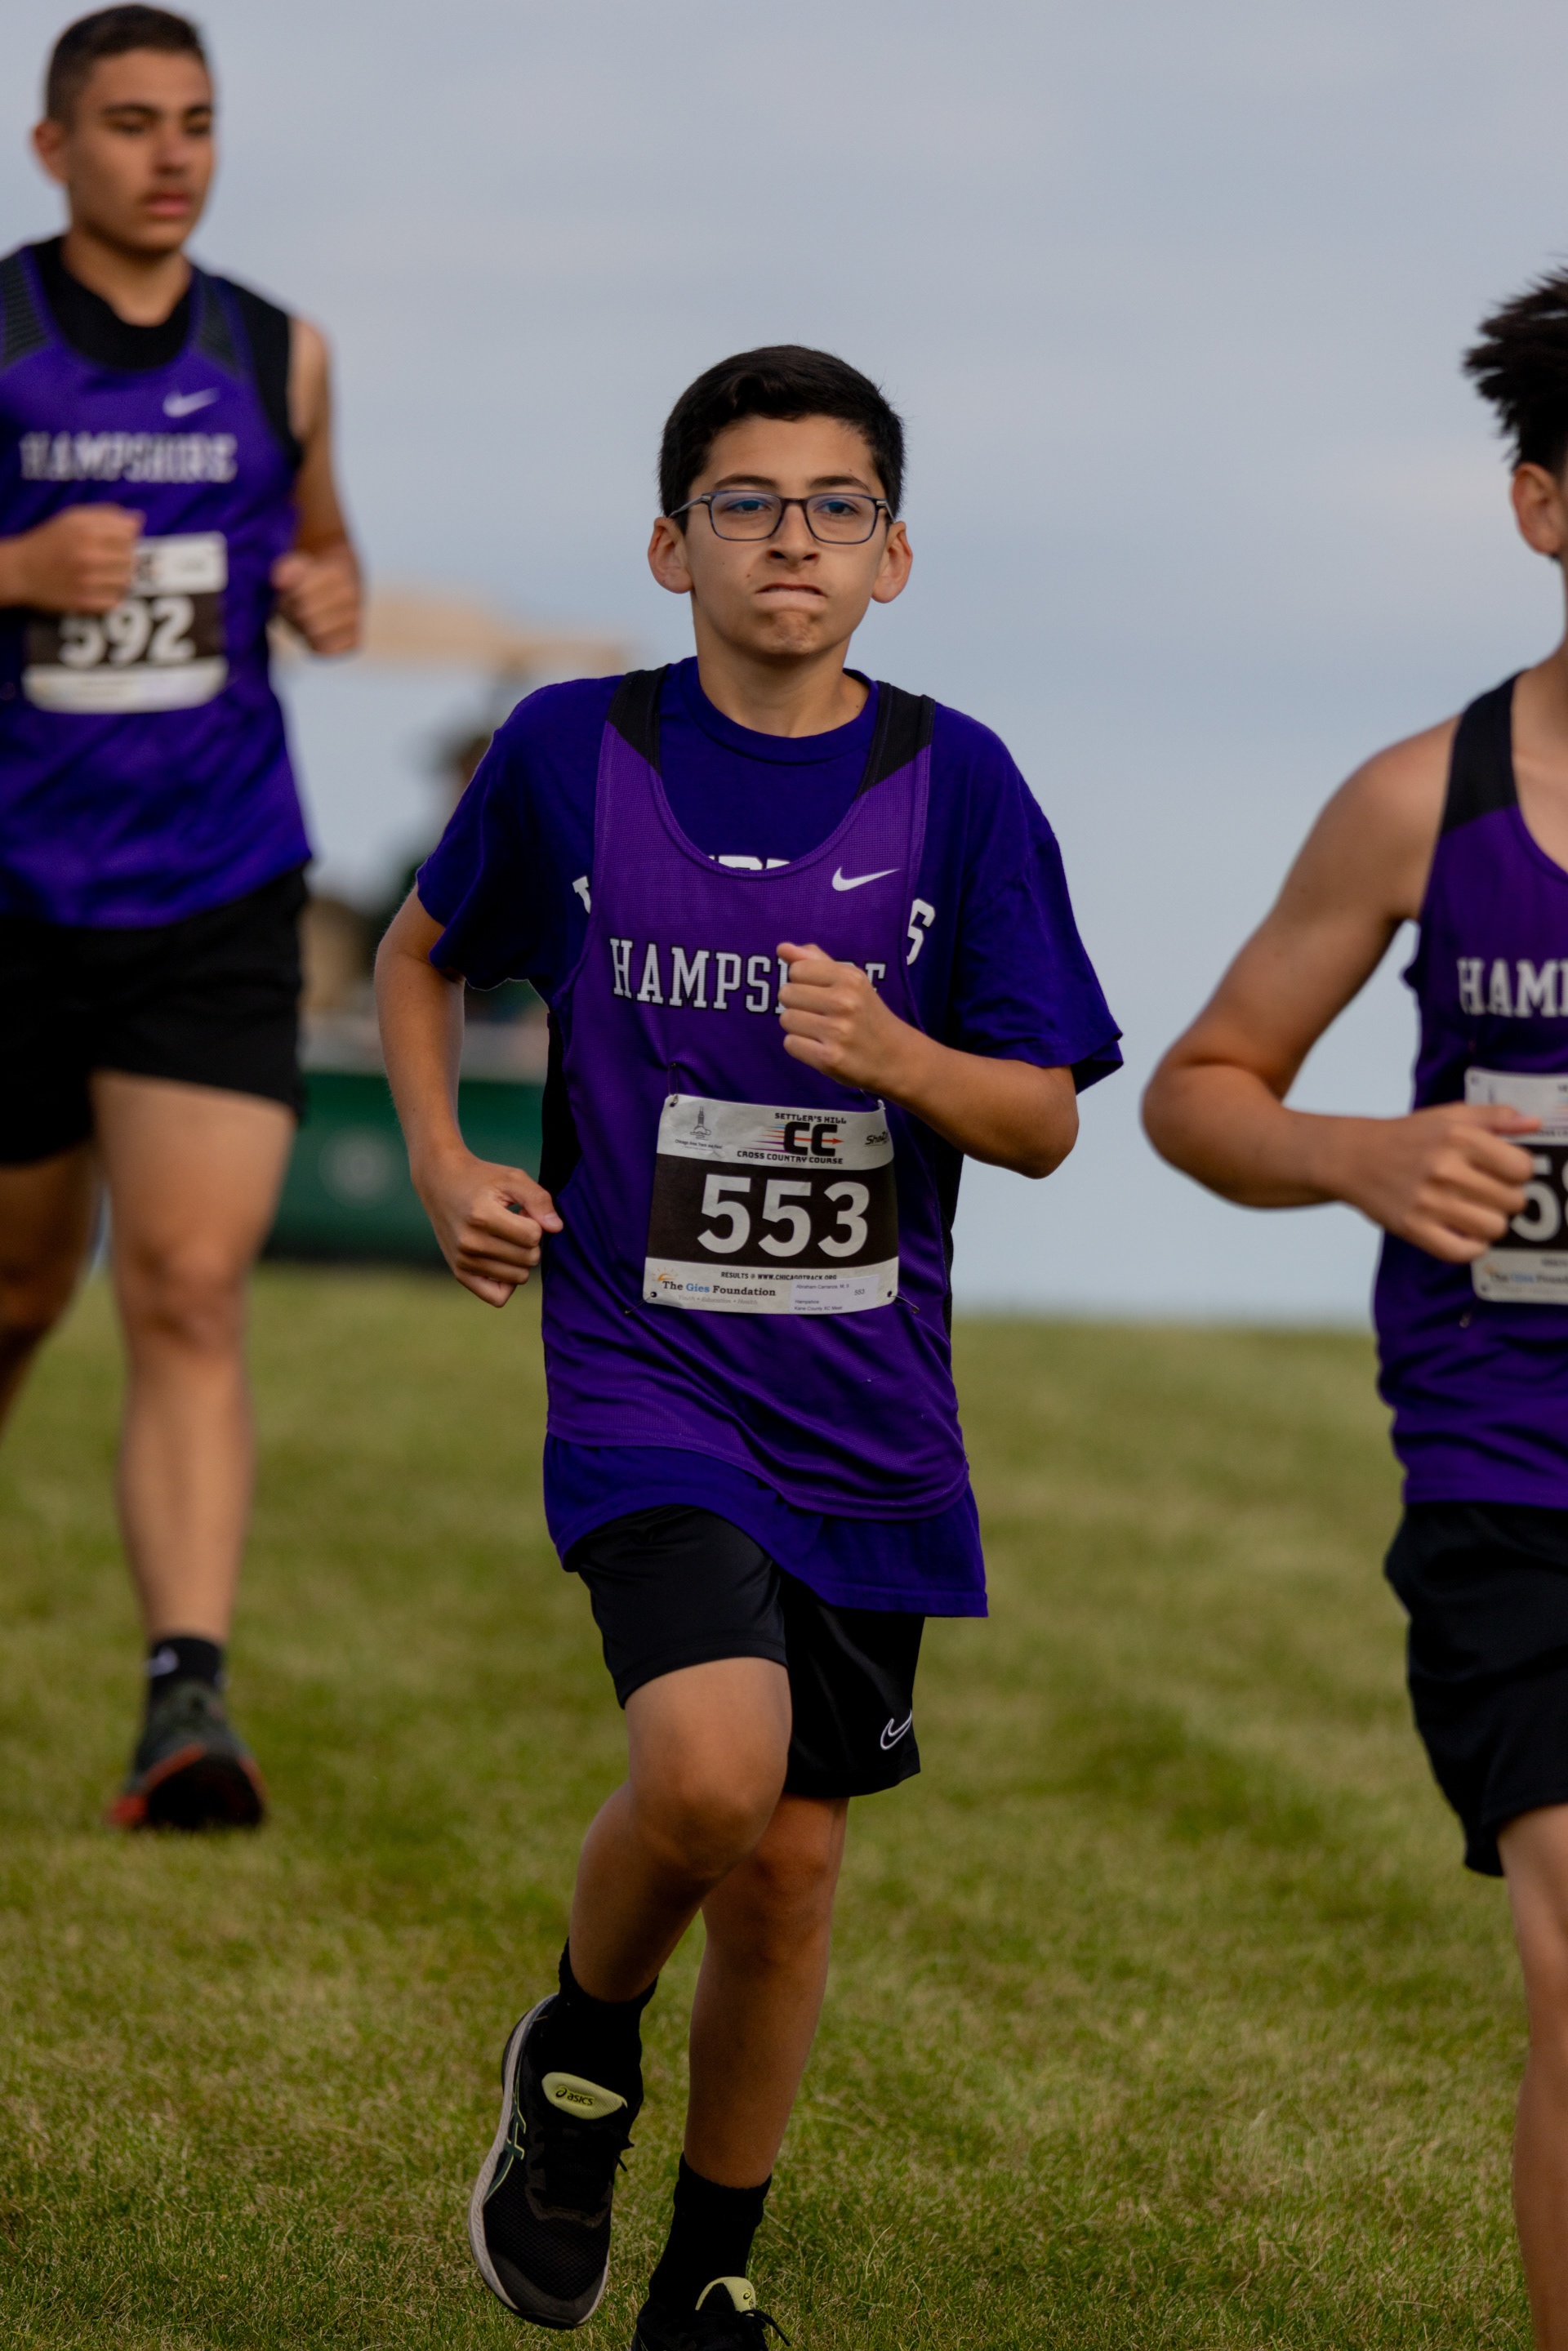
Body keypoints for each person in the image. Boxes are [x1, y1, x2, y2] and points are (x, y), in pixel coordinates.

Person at [376, 345, 1120, 2344]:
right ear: (670, 543)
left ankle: (708, 2280)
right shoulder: (572, 751)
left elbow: (1046, 1118)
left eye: (835, 506)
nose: (792, 538)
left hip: (868, 1411)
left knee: (791, 1877)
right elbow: (420, 957)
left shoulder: (959, 784)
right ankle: (579, 2055)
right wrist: (443, 1161)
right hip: (649, 1375)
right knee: (711, 1778)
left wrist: (902, 1055)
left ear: (894, 556)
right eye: (746, 503)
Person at [1143, 271, 1568, 2351]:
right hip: (1514, 1473)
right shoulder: (1424, 800)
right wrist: (1363, 1157)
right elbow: (1199, 1089)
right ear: (1541, 504)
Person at [0, 8, 359, 1830]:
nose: (171, 156)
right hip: (11, 893)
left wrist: (328, 588)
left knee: (191, 1285)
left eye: (197, 123)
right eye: (133, 122)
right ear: (53, 146)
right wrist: (13, 568)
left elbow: (324, 543)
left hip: (216, 882)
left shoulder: (278, 350)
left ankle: (185, 1702)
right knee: (12, 1291)